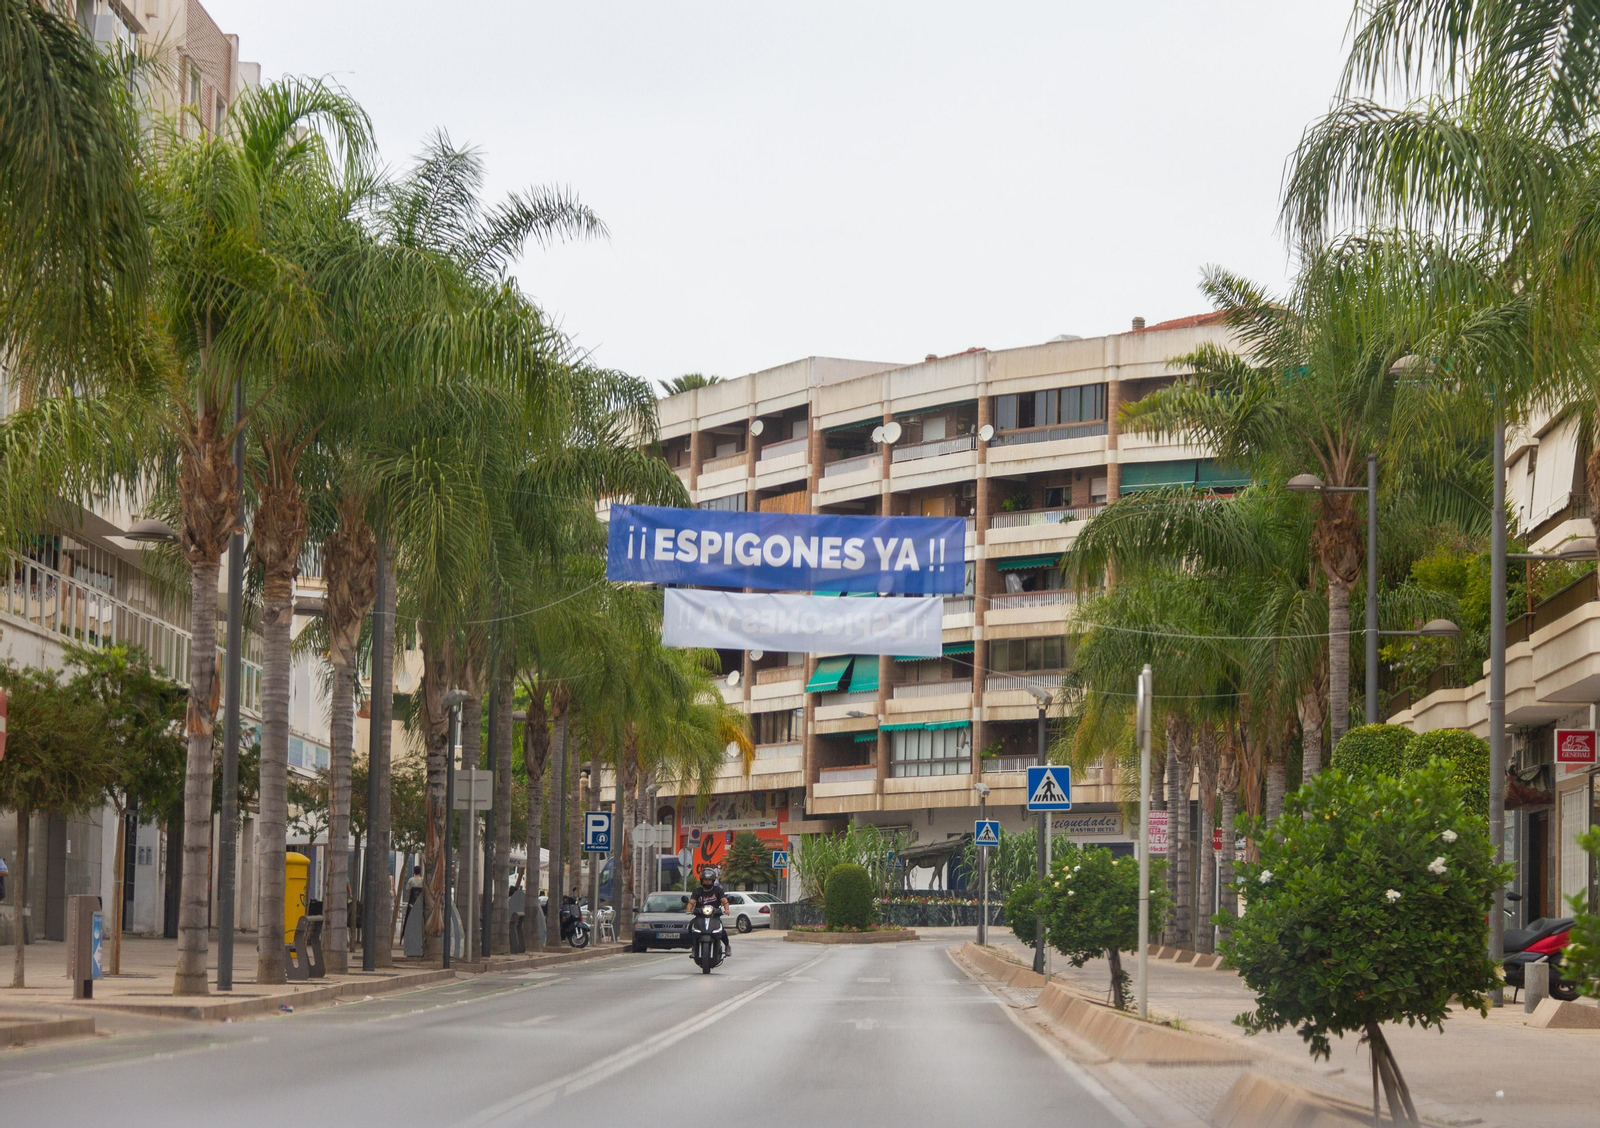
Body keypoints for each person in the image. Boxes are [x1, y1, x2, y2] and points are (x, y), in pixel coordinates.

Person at [686, 868, 731, 958]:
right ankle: (694, 947)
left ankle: (727, 946)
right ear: (702, 880)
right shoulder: (697, 891)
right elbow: (692, 902)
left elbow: (724, 900)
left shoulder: (718, 890)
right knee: (691, 926)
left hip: (714, 916)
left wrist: (726, 909)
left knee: (721, 930)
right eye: (705, 879)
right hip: (700, 916)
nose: (707, 881)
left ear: (713, 880)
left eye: (709, 880)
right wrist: (688, 909)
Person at [400, 865, 423, 936]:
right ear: (420, 872)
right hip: (420, 903)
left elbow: (408, 891)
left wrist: (407, 900)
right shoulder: (422, 880)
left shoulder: (410, 880)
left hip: (412, 903)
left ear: (414, 871)